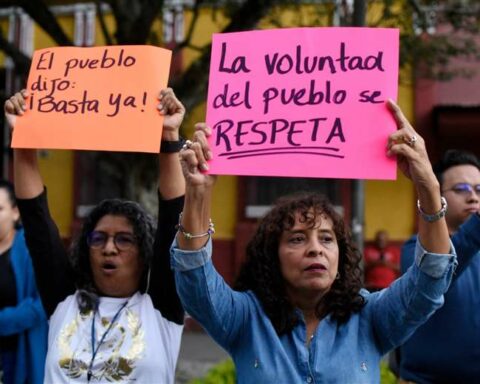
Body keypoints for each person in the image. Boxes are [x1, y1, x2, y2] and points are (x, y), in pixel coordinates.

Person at [170, 100, 457, 383]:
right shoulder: (245, 319)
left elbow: (430, 279)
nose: (315, 248)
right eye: (297, 239)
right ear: (273, 257)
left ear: (340, 256)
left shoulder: (371, 317)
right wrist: (198, 193)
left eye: (326, 239)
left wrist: (428, 185)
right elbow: (195, 279)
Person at [5, 87, 186, 383]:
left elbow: (172, 216)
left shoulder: (160, 310)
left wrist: (168, 137)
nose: (109, 248)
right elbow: (36, 218)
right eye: (98, 238)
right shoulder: (65, 303)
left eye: (124, 239)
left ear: (145, 253)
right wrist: (23, 136)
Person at [399, 149, 480, 383]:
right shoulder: (415, 248)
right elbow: (440, 268)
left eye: (478, 190)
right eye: (461, 189)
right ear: (438, 197)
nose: (473, 197)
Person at [0, 180, 47, 384]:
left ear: (15, 212)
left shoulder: (32, 249)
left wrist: (4, 321)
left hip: (19, 354)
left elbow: (43, 302)